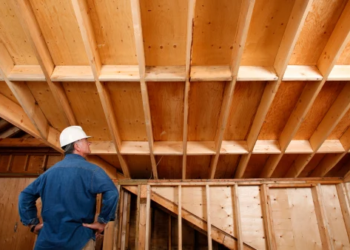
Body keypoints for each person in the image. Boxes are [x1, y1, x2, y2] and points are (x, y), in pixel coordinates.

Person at [18, 126, 119, 250]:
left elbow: (25, 195)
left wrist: (32, 223)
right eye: (86, 141)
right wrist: (102, 221)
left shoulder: (48, 173)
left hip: (46, 241)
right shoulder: (92, 171)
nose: (89, 143)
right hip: (79, 240)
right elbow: (112, 192)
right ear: (77, 146)